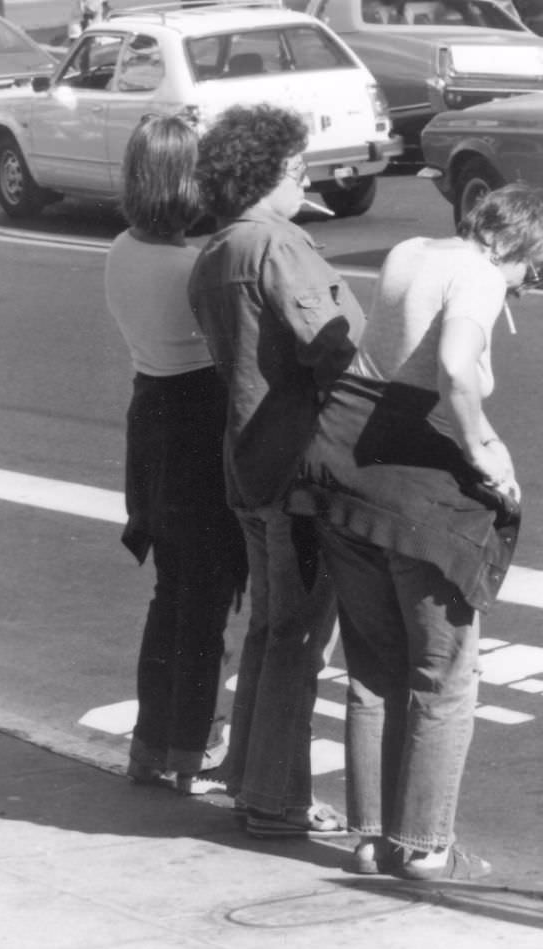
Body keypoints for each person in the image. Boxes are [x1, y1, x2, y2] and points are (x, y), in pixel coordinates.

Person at [287, 183, 543, 877]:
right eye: (532, 270)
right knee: (445, 675)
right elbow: (455, 366)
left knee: (374, 664)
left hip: (339, 463)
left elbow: (390, 359)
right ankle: (427, 847)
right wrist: (487, 449)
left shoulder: (407, 250)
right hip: (412, 485)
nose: (523, 287)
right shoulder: (482, 274)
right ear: (516, 243)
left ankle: (373, 839)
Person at [188, 104, 366, 837]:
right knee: (297, 638)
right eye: (297, 168)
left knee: (270, 627)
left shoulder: (217, 251)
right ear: (268, 174)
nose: (306, 178)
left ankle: (251, 781)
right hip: (302, 466)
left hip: (249, 462)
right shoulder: (278, 247)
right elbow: (333, 347)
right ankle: (277, 799)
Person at [104, 115, 247, 796]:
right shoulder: (198, 265)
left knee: (171, 591)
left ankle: (151, 742)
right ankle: (191, 747)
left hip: (150, 421)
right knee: (207, 599)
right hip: (200, 423)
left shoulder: (123, 250)